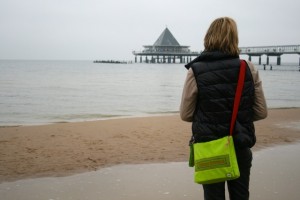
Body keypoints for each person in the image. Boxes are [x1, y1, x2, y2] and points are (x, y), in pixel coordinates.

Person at [180, 17, 267, 200]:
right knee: (241, 196)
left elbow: (186, 114)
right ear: (234, 38)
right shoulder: (247, 68)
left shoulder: (195, 70)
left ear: (208, 37)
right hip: (240, 143)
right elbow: (261, 111)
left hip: (210, 148)